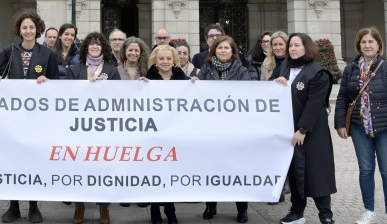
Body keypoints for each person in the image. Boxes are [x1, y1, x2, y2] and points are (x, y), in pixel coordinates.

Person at [0, 11, 58, 223]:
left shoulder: (47, 54)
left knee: (33, 161)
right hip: (14, 118)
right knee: (13, 161)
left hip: (37, 118)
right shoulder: (9, 52)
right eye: (24, 28)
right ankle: (12, 206)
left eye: (31, 27)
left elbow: (57, 84)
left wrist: (47, 81)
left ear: (38, 29)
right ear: (19, 31)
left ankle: (33, 206)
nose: (28, 31)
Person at [334, 27, 387, 224]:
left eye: (371, 42)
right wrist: (340, 124)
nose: (367, 45)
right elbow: (342, 98)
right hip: (359, 127)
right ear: (358, 45)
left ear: (378, 45)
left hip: (385, 129)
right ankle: (369, 212)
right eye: (363, 42)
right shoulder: (351, 69)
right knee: (365, 170)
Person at [272, 33, 336, 224]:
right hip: (287, 130)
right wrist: (276, 84)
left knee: (317, 172)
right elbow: (269, 93)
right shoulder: (282, 68)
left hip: (312, 132)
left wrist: (302, 129)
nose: (292, 49)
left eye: (296, 45)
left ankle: (326, 214)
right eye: (290, 45)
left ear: (306, 47)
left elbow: (314, 104)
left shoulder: (318, 73)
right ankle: (296, 212)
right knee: (294, 172)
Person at [195, 35, 257, 223]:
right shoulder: (206, 69)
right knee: (211, 168)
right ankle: (210, 204)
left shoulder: (241, 69)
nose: (223, 51)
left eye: (226, 48)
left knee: (237, 168)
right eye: (219, 48)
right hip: (211, 128)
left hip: (234, 129)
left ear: (232, 52)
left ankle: (242, 208)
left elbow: (247, 94)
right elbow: (195, 94)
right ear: (214, 51)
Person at [66, 31, 120, 224]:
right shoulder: (75, 69)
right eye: (91, 44)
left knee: (104, 167)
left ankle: (104, 206)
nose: (95, 47)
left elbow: (119, 98)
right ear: (86, 47)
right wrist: (85, 87)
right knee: (80, 166)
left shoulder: (112, 71)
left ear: (103, 47)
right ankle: (79, 204)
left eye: (98, 44)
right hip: (80, 126)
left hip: (104, 127)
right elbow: (67, 94)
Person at [141, 44, 185, 224]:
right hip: (153, 134)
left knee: (170, 174)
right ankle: (154, 209)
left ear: (174, 60)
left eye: (168, 58)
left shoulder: (182, 78)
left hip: (174, 134)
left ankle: (170, 208)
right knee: (154, 173)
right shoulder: (148, 78)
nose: (165, 62)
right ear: (155, 61)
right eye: (161, 58)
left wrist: (195, 84)